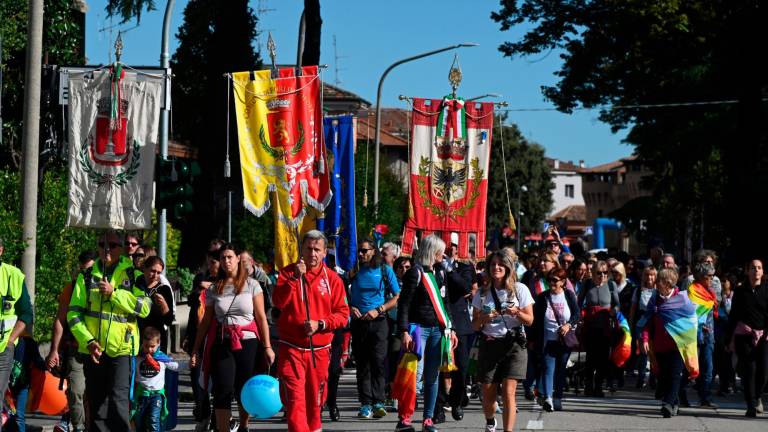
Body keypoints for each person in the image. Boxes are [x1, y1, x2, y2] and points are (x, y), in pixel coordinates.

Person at [67, 231, 151, 432]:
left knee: (118, 400)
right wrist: (88, 341)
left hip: (121, 349)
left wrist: (115, 294)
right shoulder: (86, 276)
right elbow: (73, 315)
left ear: (121, 248)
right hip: (93, 350)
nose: (106, 249)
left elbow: (144, 308)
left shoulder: (134, 275)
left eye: (112, 245)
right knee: (96, 405)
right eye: (102, 244)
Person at [190, 243, 274, 432]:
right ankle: (223, 429)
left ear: (238, 259)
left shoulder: (253, 285)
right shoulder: (214, 288)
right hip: (222, 341)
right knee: (223, 388)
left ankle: (244, 426)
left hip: (248, 341)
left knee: (244, 387)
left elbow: (261, 317)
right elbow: (205, 322)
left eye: (230, 257)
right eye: (223, 258)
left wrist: (268, 347)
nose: (226, 261)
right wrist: (195, 350)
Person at [272, 230, 350, 432]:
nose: (312, 253)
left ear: (325, 253)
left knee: (315, 404)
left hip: (320, 352)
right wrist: (294, 278)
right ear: (301, 250)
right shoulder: (287, 273)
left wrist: (321, 324)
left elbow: (343, 315)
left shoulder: (333, 280)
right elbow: (278, 302)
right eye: (309, 248)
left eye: (317, 249)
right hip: (291, 350)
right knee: (295, 402)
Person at [395, 235, 458, 432]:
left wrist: (452, 328)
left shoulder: (440, 272)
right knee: (413, 376)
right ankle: (404, 420)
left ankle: (428, 420)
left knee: (433, 377)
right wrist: (404, 331)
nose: (444, 254)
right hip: (418, 331)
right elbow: (404, 304)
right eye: (441, 251)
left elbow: (445, 303)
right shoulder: (415, 272)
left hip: (438, 331)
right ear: (432, 251)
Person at [471, 251, 533, 432]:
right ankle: (490, 421)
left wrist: (516, 312)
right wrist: (483, 317)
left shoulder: (520, 289)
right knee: (488, 395)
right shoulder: (482, 294)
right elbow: (474, 326)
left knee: (508, 392)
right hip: (490, 345)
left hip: (514, 345)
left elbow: (530, 320)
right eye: (492, 265)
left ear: (507, 267)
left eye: (500, 264)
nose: (496, 268)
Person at [349, 238, 400, 419]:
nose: (361, 254)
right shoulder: (354, 271)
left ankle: (379, 401)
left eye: (365, 251)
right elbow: (342, 294)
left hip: (378, 322)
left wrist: (379, 309)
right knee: (363, 364)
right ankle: (365, 404)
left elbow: (397, 296)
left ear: (373, 251)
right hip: (359, 323)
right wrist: (349, 308)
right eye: (360, 251)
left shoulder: (384, 270)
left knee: (378, 361)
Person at [46, 250, 96, 432]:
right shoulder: (72, 286)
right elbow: (61, 319)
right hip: (76, 349)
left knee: (95, 394)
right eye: (83, 270)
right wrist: (54, 350)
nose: (86, 274)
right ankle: (79, 428)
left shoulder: (105, 285)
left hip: (100, 349)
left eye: (89, 270)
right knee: (76, 391)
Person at [638, 268, 699, 418]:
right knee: (663, 376)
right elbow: (647, 320)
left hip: (677, 345)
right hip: (659, 345)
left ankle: (667, 403)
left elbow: (691, 320)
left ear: (668, 283)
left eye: (659, 281)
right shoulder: (655, 299)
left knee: (675, 375)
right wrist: (645, 338)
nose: (656, 283)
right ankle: (674, 402)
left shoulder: (682, 299)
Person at [434, 234, 476, 424]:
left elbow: (465, 288)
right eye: (448, 245)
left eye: (454, 245)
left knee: (462, 368)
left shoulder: (465, 267)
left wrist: (449, 269)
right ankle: (438, 407)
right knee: (438, 368)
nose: (451, 248)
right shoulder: (432, 266)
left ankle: (456, 400)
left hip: (460, 325)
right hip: (438, 322)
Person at [184, 240, 222, 432]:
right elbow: (192, 303)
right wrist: (200, 289)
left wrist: (213, 286)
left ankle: (218, 418)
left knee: (218, 381)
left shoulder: (228, 280)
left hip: (218, 337)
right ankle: (203, 413)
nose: (212, 260)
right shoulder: (200, 277)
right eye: (211, 255)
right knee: (197, 377)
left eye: (218, 256)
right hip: (198, 337)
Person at [532, 267, 579, 412]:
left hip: (564, 340)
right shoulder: (542, 297)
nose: (551, 283)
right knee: (548, 369)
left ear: (563, 282)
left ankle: (558, 397)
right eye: (549, 280)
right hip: (548, 340)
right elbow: (536, 320)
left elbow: (577, 314)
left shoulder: (569, 296)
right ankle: (548, 398)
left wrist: (568, 325)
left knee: (560, 370)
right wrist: (533, 339)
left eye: (555, 280)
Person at [0, 238, 34, 429]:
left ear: (1, 250)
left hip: (3, 349)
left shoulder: (13, 275)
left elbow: (26, 314)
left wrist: (11, 340)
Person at [727, 259, 768, 417]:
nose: (756, 270)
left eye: (759, 268)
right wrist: (728, 338)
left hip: (764, 336)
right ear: (747, 271)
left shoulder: (766, 289)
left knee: (763, 373)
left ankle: (757, 397)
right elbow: (734, 315)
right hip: (745, 335)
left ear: (762, 272)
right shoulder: (740, 291)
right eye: (753, 268)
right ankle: (750, 405)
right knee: (749, 370)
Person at [577, 260, 619, 397]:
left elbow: (617, 305)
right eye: (599, 273)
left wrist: (614, 311)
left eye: (605, 272)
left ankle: (599, 385)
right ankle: (588, 385)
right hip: (590, 327)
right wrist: (579, 318)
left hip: (606, 327)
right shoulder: (587, 284)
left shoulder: (611, 285)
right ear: (593, 273)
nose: (602, 276)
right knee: (590, 358)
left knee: (603, 358)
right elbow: (578, 303)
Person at [679, 262, 718, 408]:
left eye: (713, 276)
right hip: (693, 336)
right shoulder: (692, 291)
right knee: (690, 368)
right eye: (709, 276)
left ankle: (705, 397)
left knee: (708, 368)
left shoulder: (711, 292)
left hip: (709, 336)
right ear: (700, 277)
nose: (712, 279)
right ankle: (680, 394)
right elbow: (689, 314)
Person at [133, 326, 179, 432]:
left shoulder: (161, 358)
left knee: (154, 419)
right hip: (141, 395)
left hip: (156, 395)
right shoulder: (137, 357)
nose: (149, 349)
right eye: (146, 346)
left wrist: (190, 364)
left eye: (152, 346)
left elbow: (175, 366)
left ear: (158, 343)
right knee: (139, 420)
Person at [137, 256, 175, 350]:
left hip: (156, 343)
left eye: (158, 273)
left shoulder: (164, 289)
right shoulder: (136, 285)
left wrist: (165, 307)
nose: (155, 275)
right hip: (138, 338)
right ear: (144, 268)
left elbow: (169, 321)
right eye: (153, 271)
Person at [629, 266, 657, 389]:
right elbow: (633, 309)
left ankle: (653, 379)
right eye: (647, 274)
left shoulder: (658, 291)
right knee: (643, 352)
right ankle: (641, 378)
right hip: (642, 322)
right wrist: (630, 324)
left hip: (655, 323)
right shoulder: (639, 290)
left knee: (653, 352)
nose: (649, 277)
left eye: (652, 275)